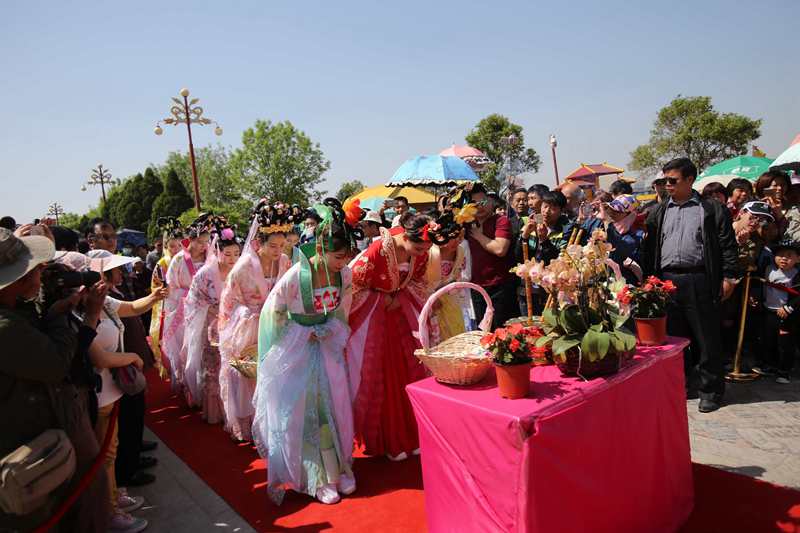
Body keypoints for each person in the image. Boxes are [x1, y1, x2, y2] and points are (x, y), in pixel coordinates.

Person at [253, 198, 362, 505]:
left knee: (334, 404)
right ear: (322, 249)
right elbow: (273, 313)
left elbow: (342, 311)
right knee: (303, 409)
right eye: (338, 256)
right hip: (298, 347)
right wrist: (294, 339)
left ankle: (339, 468)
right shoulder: (294, 277)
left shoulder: (346, 275)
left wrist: (329, 331)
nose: (343, 262)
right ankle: (312, 476)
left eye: (346, 257)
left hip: (326, 343)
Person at [0, 227, 99, 532]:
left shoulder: (16, 313)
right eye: (33, 268)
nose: (39, 275)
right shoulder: (6, 326)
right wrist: (58, 315)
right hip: (26, 466)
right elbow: (55, 364)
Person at [641, 157, 739, 413]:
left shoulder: (711, 209)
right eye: (664, 181)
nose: (667, 185)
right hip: (667, 281)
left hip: (699, 279)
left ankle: (711, 390)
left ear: (690, 180)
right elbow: (650, 248)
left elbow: (728, 246)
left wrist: (729, 278)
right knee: (674, 338)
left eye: (673, 180)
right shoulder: (659, 211)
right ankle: (681, 384)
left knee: (707, 338)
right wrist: (651, 281)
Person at [86, 251, 167, 532]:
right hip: (98, 394)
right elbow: (99, 357)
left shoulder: (104, 302)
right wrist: (130, 358)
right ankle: (109, 510)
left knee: (112, 449)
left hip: (112, 391)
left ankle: (114, 496)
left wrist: (154, 297)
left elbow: (132, 307)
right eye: (114, 270)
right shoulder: (83, 309)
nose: (120, 274)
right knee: (104, 454)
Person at [347, 212, 432, 461]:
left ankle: (412, 434)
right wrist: (382, 298)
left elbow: (417, 280)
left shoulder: (421, 252)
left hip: (401, 317)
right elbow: (351, 286)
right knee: (383, 376)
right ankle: (389, 440)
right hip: (376, 320)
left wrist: (403, 296)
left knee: (410, 370)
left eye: (425, 248)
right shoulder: (377, 251)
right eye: (417, 247)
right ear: (404, 235)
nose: (421, 253)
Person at [219, 201, 293, 441]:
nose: (278, 250)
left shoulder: (284, 262)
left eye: (282, 245)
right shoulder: (243, 267)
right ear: (258, 242)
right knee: (250, 377)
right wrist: (250, 314)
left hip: (279, 323)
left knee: (279, 373)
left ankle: (276, 422)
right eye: (273, 245)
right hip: (250, 325)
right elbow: (229, 302)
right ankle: (253, 425)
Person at [181, 219, 240, 423]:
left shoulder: (239, 271)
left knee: (231, 366)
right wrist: (212, 309)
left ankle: (232, 411)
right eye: (228, 254)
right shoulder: (205, 274)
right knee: (213, 367)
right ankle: (214, 412)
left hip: (233, 323)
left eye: (236, 254)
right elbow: (192, 300)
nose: (232, 259)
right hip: (210, 324)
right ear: (217, 252)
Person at [161, 217, 210, 390]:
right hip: (183, 308)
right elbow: (171, 285)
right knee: (186, 347)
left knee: (204, 347)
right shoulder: (179, 259)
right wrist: (187, 297)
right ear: (191, 240)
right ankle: (188, 385)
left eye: (206, 241)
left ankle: (206, 386)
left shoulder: (210, 257)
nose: (203, 245)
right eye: (199, 241)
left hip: (206, 307)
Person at [462, 183, 517, 328]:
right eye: (474, 204)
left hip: (499, 287)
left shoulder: (501, 221)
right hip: (476, 288)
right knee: (482, 332)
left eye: (483, 202)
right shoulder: (465, 225)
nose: (480, 207)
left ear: (491, 201)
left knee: (500, 331)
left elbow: (500, 249)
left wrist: (478, 236)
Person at [516, 191, 574, 314]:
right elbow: (518, 256)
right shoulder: (530, 224)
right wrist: (524, 236)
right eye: (545, 206)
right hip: (528, 289)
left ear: (561, 210)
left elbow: (559, 260)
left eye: (553, 208)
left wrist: (544, 240)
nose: (547, 211)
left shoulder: (567, 229)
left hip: (551, 289)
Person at [753, 238, 800, 384]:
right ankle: (770, 365)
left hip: (787, 314)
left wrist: (788, 308)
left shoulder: (796, 274)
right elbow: (760, 286)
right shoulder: (769, 269)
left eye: (789, 255)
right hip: (769, 311)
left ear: (798, 258)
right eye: (780, 255)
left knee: (785, 343)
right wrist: (755, 298)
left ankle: (784, 370)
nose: (784, 258)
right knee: (769, 340)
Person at [425, 210, 469, 343]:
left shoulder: (460, 251)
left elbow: (456, 276)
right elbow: (419, 279)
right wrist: (430, 296)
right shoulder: (430, 253)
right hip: (427, 299)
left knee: (454, 334)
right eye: (451, 238)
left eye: (458, 238)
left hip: (449, 299)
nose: (455, 242)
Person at [148, 218, 183, 376]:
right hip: (170, 307)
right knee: (173, 344)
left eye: (179, 245)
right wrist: (166, 291)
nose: (176, 249)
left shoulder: (187, 260)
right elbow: (155, 287)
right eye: (172, 246)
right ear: (166, 247)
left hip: (187, 305)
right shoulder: (162, 263)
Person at [602, 195, 644, 284]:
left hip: (629, 283)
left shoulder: (638, 234)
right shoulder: (611, 228)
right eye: (611, 209)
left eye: (617, 211)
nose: (612, 213)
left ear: (630, 214)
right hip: (611, 279)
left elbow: (619, 255)